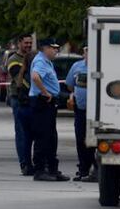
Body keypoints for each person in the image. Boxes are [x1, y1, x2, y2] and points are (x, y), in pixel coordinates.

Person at [30, 38, 68, 181]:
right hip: (42, 102)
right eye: (53, 48)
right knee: (42, 137)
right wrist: (45, 92)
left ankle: (52, 169)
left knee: (51, 137)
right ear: (44, 48)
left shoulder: (47, 62)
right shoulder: (40, 61)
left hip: (48, 103)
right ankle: (40, 170)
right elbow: (35, 76)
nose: (56, 50)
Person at [66, 46, 97, 182]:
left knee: (94, 141)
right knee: (80, 140)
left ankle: (95, 168)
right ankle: (83, 169)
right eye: (86, 51)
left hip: (97, 112)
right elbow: (70, 85)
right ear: (84, 53)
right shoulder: (77, 66)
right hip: (81, 109)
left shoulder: (102, 65)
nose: (88, 54)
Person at [6, 34, 35, 175]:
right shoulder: (13, 60)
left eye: (30, 43)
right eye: (26, 43)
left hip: (32, 99)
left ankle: (31, 162)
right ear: (19, 43)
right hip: (19, 99)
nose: (28, 45)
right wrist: (36, 88)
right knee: (22, 132)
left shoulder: (32, 58)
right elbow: (20, 79)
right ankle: (24, 163)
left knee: (32, 133)